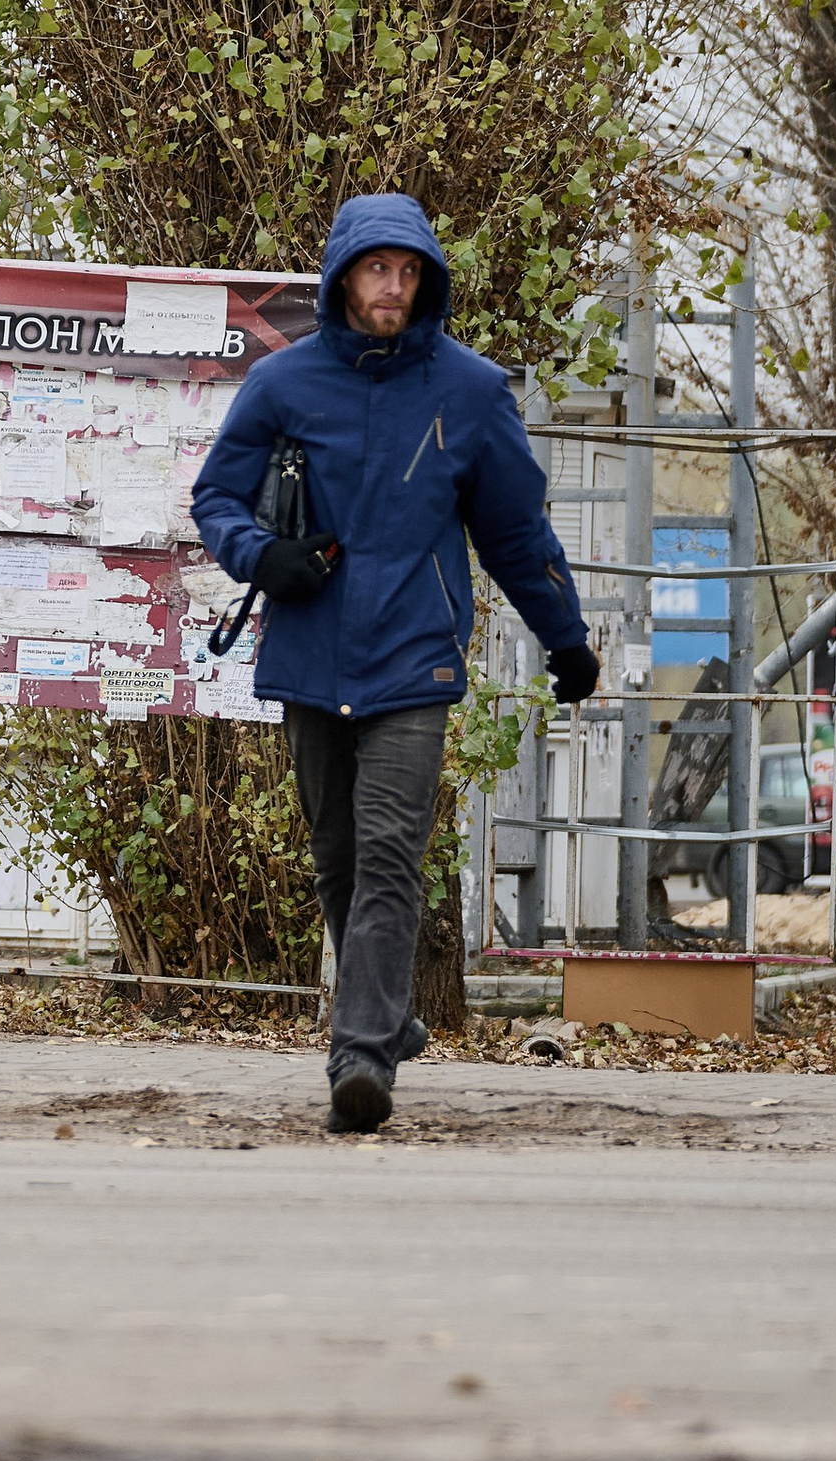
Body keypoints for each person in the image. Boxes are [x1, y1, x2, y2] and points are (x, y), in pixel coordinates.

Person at [191, 191, 598, 1134]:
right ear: (342, 277)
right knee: (336, 858)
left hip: (415, 658)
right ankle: (391, 1013)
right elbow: (217, 496)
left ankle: (360, 1059)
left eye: (409, 272)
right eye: (378, 270)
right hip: (309, 653)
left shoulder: (469, 392)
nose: (394, 287)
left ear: (427, 281)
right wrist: (262, 555)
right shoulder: (284, 385)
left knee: (387, 856)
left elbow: (515, 530)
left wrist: (566, 636)